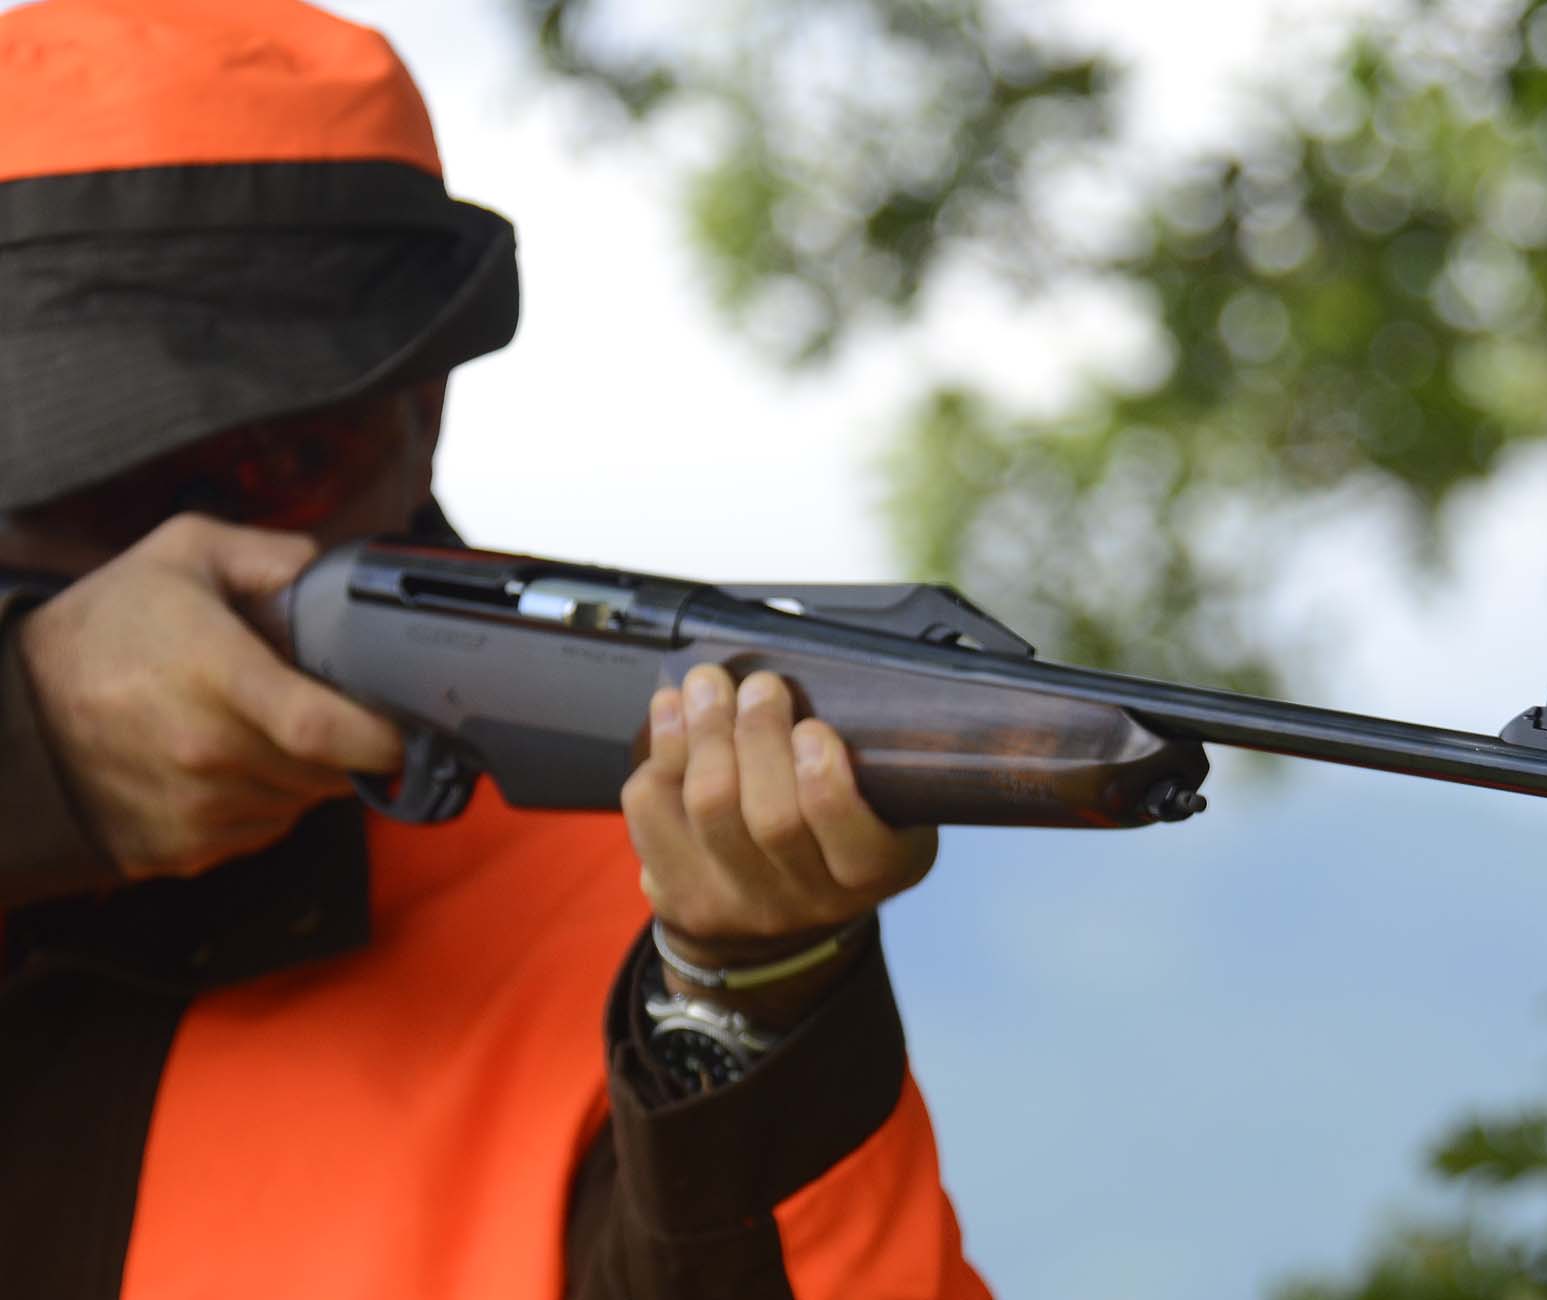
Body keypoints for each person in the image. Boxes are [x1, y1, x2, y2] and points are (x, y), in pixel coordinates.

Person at [0, 2, 991, 1296]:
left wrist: (738, 1010)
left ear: (424, 415)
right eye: (96, 489)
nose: (181, 576)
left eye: (279, 465)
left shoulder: (647, 884)